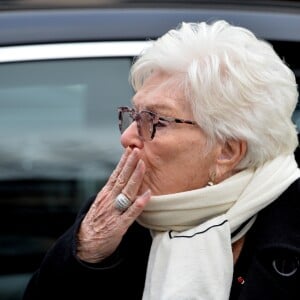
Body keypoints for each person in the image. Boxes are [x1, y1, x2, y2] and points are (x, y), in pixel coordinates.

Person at [23, 20, 300, 300]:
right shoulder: (121, 219)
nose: (127, 136)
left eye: (154, 120)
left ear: (227, 152)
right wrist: (87, 250)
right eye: (134, 115)